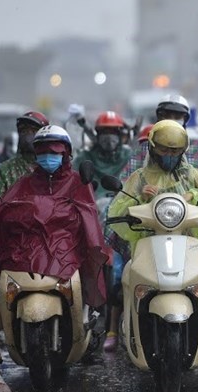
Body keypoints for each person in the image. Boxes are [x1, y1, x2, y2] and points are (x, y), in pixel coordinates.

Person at [107, 120, 198, 388]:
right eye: (164, 150)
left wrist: (192, 195)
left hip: (189, 243)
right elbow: (118, 208)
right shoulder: (139, 178)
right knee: (135, 283)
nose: (170, 156)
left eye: (176, 151)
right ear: (152, 148)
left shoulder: (193, 175)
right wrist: (140, 197)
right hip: (149, 243)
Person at [0, 125, 107, 363]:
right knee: (3, 276)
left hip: (65, 249)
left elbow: (89, 214)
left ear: (65, 153)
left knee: (95, 266)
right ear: (36, 154)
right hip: (27, 247)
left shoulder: (77, 182)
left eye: (55, 152)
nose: (49, 157)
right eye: (44, 152)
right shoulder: (25, 182)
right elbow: (6, 207)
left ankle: (88, 318)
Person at [0, 110, 49, 358]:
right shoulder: (7, 169)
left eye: (32, 130)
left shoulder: (51, 166)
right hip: (18, 236)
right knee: (6, 274)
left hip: (51, 235)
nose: (27, 135)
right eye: (23, 131)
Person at [72, 110, 133, 352]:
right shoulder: (85, 158)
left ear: (122, 135)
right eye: (104, 133)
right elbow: (77, 183)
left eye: (114, 133)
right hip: (92, 220)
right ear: (96, 135)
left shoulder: (130, 157)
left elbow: (135, 181)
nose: (109, 138)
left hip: (124, 220)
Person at [120, 94, 198, 182]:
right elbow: (126, 183)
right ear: (159, 118)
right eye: (167, 115)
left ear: (185, 119)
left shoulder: (197, 148)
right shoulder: (145, 148)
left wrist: (193, 194)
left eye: (177, 116)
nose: (172, 119)